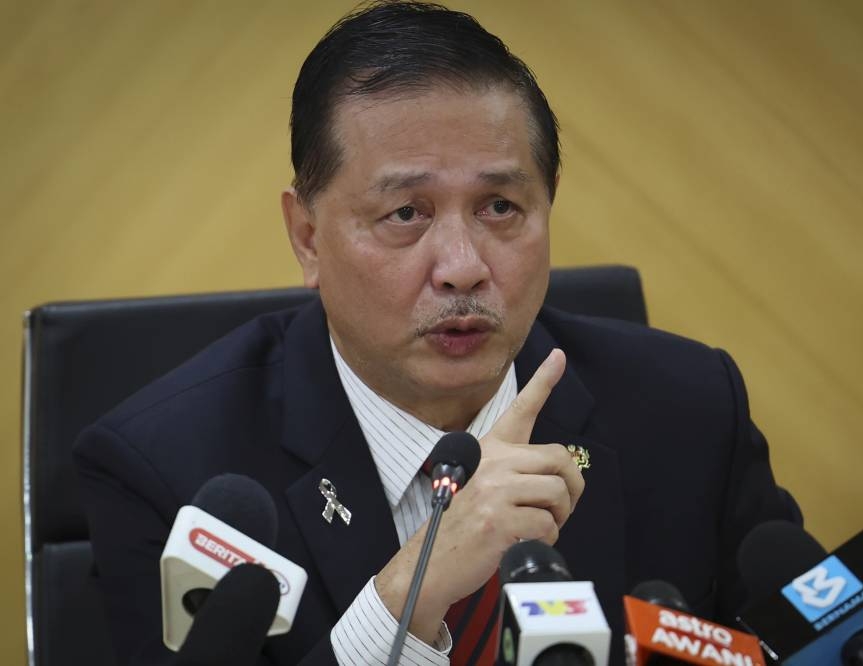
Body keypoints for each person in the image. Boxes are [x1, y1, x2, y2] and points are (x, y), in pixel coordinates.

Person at [74, 2, 799, 665]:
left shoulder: (692, 411)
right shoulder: (165, 471)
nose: (462, 268)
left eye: (500, 207)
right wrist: (406, 600)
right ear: (307, 238)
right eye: (405, 215)